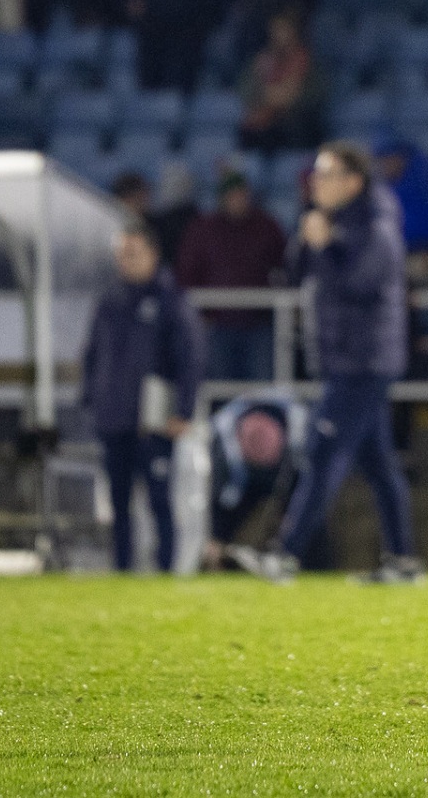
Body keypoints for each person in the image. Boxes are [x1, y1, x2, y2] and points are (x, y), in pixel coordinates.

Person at [234, 142, 422, 586]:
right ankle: (403, 562)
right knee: (378, 466)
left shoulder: (377, 225)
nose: (315, 182)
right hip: (346, 357)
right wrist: (312, 241)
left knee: (322, 452)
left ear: (353, 181)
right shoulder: (335, 221)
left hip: (364, 360)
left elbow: (360, 282)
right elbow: (294, 276)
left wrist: (328, 244)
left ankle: (285, 555)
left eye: (325, 174)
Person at [80, 224, 202, 573]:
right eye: (122, 254)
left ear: (153, 254)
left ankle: (165, 570)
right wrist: (91, 399)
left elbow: (190, 359)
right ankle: (122, 569)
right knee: (118, 503)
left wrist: (184, 410)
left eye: (133, 253)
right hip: (114, 417)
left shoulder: (171, 300)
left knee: (159, 500)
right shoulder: (110, 300)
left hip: (153, 420)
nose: (126, 261)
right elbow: (93, 354)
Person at [175, 171, 287, 382]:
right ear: (222, 198)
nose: (238, 200)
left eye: (242, 194)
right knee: (220, 388)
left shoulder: (266, 226)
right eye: (232, 195)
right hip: (217, 324)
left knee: (260, 389)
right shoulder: (203, 229)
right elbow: (187, 273)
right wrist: (199, 314)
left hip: (258, 323)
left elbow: (284, 267)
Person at [204, 392, 303, 568]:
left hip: (283, 476)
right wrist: (215, 537)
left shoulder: (299, 432)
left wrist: (291, 516)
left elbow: (304, 483)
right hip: (242, 480)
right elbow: (224, 494)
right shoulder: (225, 444)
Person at [237, 8, 325, 152]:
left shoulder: (309, 63)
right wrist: (265, 96)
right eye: (276, 30)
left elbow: (315, 94)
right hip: (264, 122)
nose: (279, 35)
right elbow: (245, 91)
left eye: (284, 30)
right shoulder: (261, 61)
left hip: (296, 124)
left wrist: (289, 99)